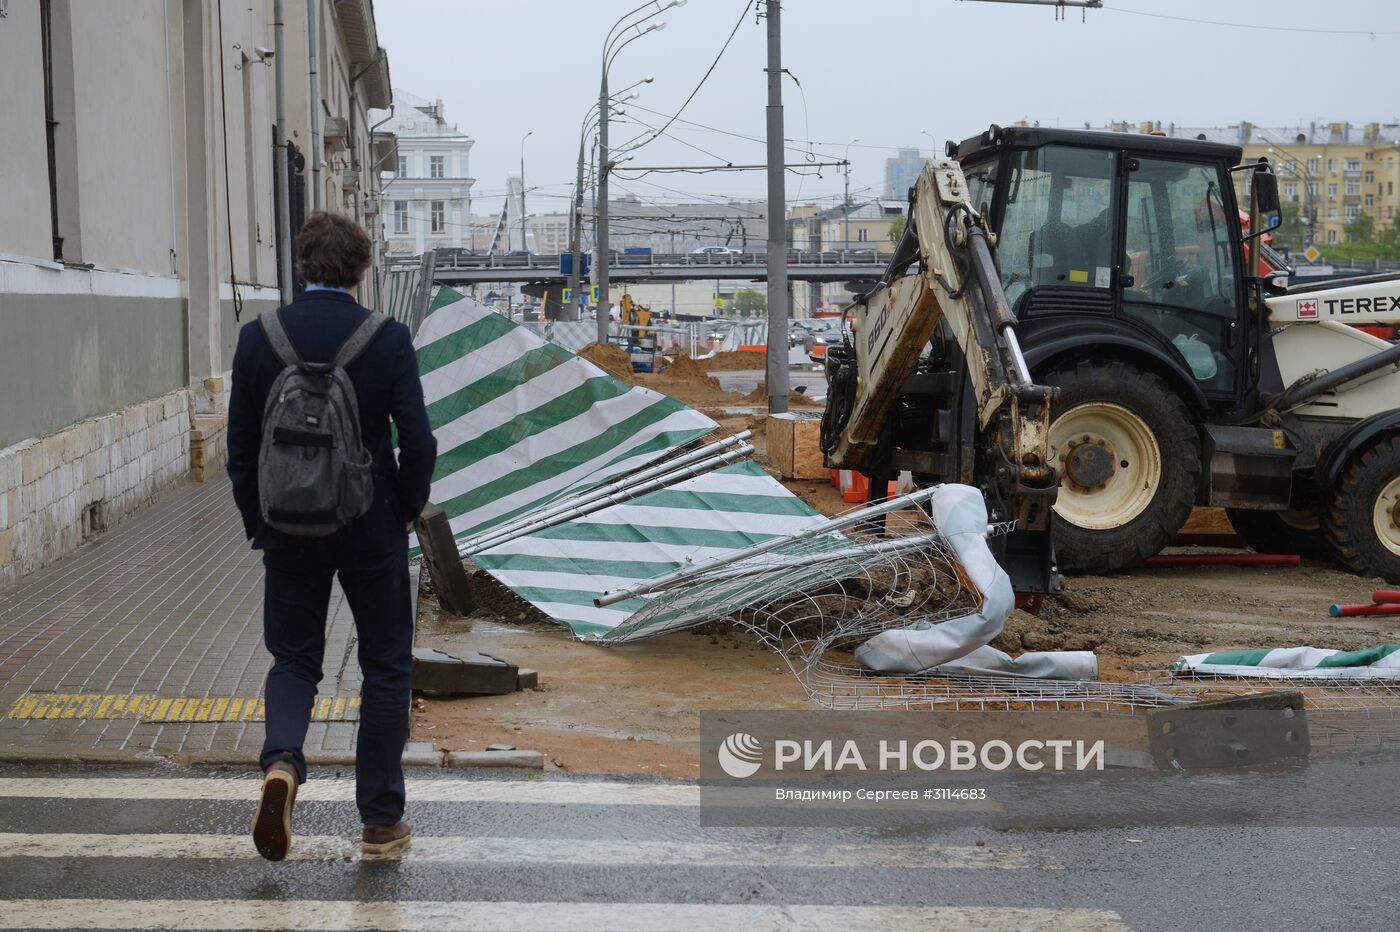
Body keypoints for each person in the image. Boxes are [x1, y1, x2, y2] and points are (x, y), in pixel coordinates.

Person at [227, 211, 437, 861]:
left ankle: (282, 764)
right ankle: (380, 821)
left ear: (302, 265)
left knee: (293, 661)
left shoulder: (258, 338)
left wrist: (259, 521)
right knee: (384, 667)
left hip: (288, 527)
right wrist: (402, 508)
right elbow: (419, 442)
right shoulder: (388, 338)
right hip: (370, 523)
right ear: (360, 269)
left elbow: (239, 447)